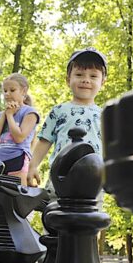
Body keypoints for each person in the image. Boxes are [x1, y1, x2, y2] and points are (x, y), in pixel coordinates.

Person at [26, 48, 107, 193]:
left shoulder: (104, 115)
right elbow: (45, 141)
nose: (86, 80)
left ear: (103, 82)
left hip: (93, 178)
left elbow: (109, 148)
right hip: (60, 176)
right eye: (79, 74)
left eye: (93, 76)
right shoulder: (58, 111)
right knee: (55, 212)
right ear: (68, 79)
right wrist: (32, 166)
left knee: (91, 215)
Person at [0, 73, 40, 186]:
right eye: (5, 91)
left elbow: (19, 137)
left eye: (12, 90)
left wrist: (10, 116)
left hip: (18, 159)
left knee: (17, 197)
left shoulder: (29, 112)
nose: (7, 94)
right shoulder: (2, 115)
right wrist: (5, 115)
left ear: (23, 91)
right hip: (0, 161)